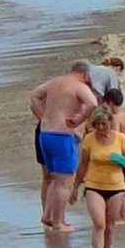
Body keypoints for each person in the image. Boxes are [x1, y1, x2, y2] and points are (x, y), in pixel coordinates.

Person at [30, 63, 98, 232]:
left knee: (53, 178)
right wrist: (79, 119)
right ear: (86, 75)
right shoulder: (79, 87)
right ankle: (59, 222)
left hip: (45, 134)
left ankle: (48, 214)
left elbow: (34, 96)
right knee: (65, 181)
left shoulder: (54, 82)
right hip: (62, 135)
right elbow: (92, 103)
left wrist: (43, 115)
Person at [67, 105, 125, 248]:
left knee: (110, 226)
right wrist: (75, 187)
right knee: (99, 223)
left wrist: (123, 161)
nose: (101, 128)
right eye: (97, 125)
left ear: (110, 122)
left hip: (116, 187)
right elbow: (83, 165)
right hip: (94, 186)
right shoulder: (89, 139)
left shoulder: (120, 139)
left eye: (104, 124)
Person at [101, 88, 125, 225]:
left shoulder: (114, 119)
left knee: (118, 186)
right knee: (121, 185)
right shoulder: (124, 115)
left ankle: (123, 216)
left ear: (111, 102)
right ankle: (122, 215)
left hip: (117, 155)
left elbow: (114, 137)